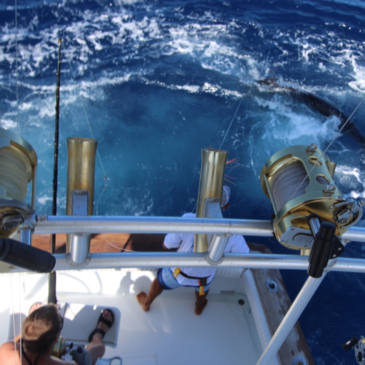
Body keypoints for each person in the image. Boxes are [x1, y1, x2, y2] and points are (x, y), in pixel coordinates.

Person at [137, 186, 250, 315]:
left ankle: (146, 303)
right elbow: (245, 261)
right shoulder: (232, 233)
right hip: (202, 281)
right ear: (227, 205)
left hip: (178, 275)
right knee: (203, 290)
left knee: (160, 281)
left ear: (203, 200)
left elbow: (166, 246)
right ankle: (198, 308)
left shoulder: (188, 219)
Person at [0, 303, 114, 365]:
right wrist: (85, 361)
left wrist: (35, 324)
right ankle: (97, 336)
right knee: (98, 349)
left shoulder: (5, 349)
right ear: (56, 339)